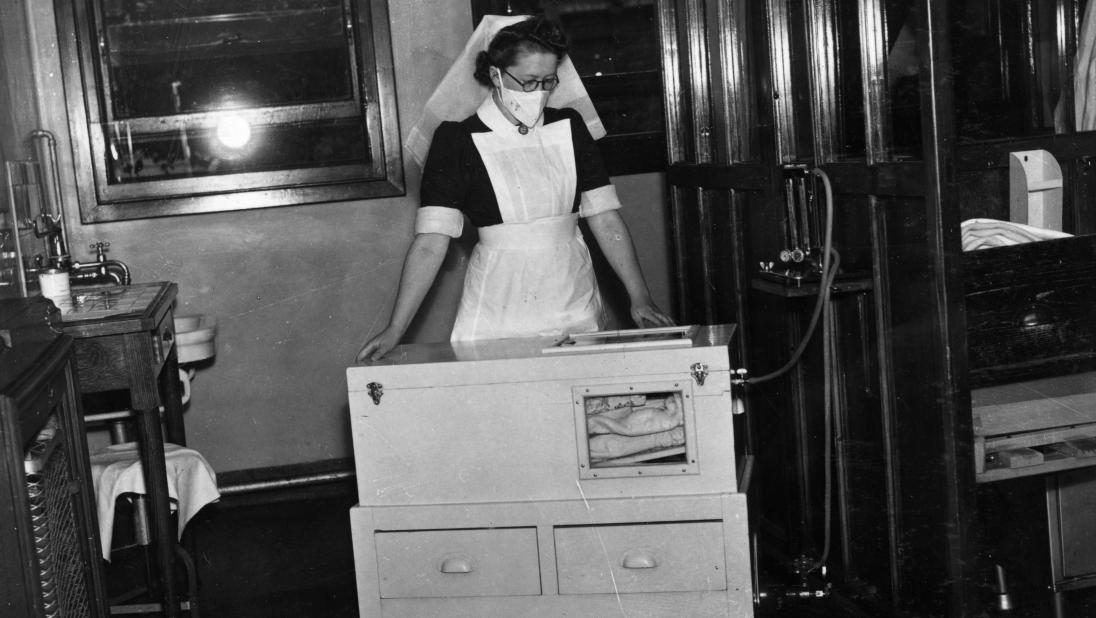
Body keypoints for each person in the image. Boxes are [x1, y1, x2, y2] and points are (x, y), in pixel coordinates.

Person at [357, 16, 672, 362]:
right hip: (499, 299)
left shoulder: (571, 126)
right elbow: (431, 244)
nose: (539, 93)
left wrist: (640, 296)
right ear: (495, 75)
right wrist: (395, 329)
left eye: (548, 81)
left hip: (572, 291)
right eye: (528, 82)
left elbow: (606, 220)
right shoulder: (456, 141)